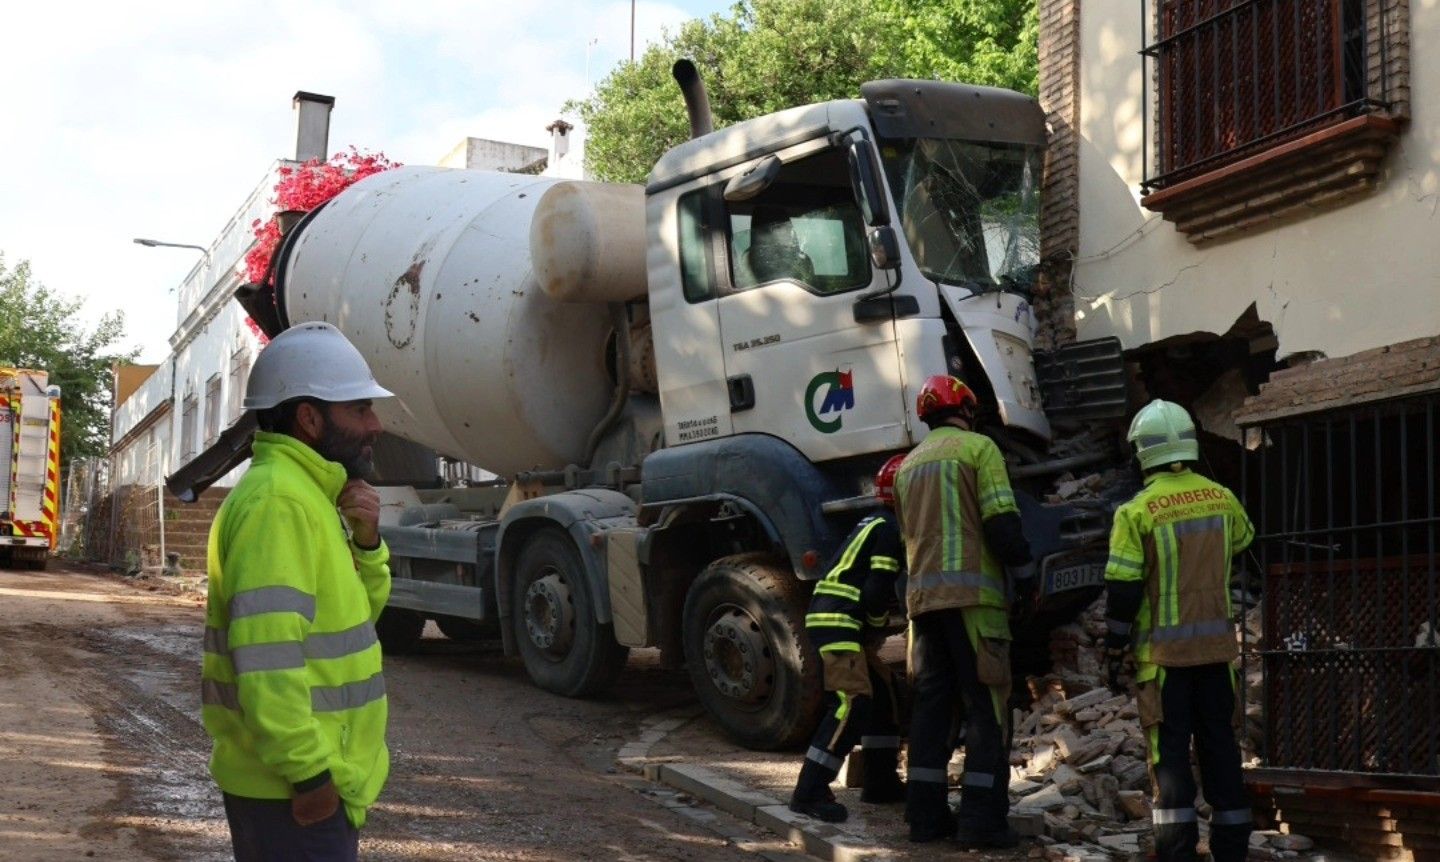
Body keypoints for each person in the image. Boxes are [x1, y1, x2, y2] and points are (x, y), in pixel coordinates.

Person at [201, 321, 396, 862]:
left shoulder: (308, 496)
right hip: (291, 789)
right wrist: (310, 777)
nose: (375, 424)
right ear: (309, 418)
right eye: (359, 409)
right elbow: (268, 659)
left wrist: (368, 544)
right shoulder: (278, 504)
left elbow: (357, 619)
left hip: (305, 783)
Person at [1102, 399, 1255, 862]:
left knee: (1169, 762)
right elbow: (1244, 543)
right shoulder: (1221, 497)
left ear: (1142, 452)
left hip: (1163, 662)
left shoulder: (1136, 511)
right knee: (1221, 752)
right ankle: (1232, 850)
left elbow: (1123, 589)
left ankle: (1178, 853)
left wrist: (1113, 645)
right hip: (1216, 655)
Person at [893, 374, 1035, 847]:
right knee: (987, 709)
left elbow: (907, 539)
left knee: (932, 712)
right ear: (967, 409)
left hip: (925, 606)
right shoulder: (979, 449)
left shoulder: (907, 467)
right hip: (976, 603)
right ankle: (981, 823)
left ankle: (925, 820)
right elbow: (1001, 521)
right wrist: (1026, 573)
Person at [788, 455, 909, 823]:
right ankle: (809, 790)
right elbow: (875, 591)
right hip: (840, 620)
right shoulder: (889, 528)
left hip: (836, 617)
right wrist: (877, 624)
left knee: (885, 695)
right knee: (851, 703)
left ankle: (880, 780)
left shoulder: (875, 520)